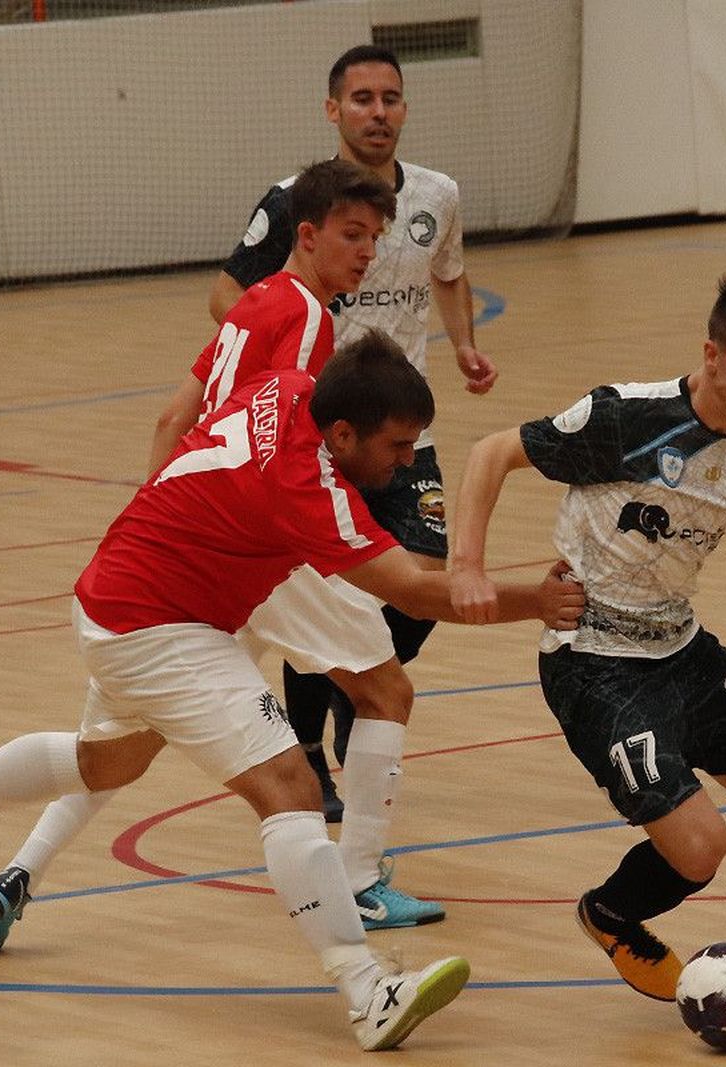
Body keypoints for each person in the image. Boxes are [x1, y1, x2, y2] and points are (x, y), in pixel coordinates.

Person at [0, 335, 583, 1051]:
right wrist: (536, 601)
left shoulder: (289, 389)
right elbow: (418, 594)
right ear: (344, 431)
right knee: (289, 786)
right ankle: (367, 990)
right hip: (160, 624)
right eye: (395, 446)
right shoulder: (308, 486)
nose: (404, 461)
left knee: (106, 765)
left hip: (118, 594)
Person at [0, 159, 450, 951]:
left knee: (121, 746)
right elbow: (303, 452)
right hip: (265, 542)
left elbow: (173, 416)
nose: (366, 253)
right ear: (309, 235)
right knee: (386, 691)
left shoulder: (251, 303)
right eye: (353, 236)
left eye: (376, 238)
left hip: (200, 545)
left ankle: (17, 872)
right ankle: (358, 882)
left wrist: (162, 520)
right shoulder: (310, 320)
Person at [447, 269, 726, 1003]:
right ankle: (613, 913)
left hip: (681, 646)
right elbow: (490, 453)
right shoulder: (625, 416)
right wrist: (468, 564)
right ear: (712, 354)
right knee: (701, 847)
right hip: (593, 658)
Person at [210, 46, 491, 930]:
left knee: (423, 577)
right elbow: (227, 296)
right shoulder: (293, 202)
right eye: (361, 99)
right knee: (326, 585)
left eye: (391, 98)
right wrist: (291, 360)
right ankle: (323, 748)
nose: (378, 111)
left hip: (403, 431)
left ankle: (347, 694)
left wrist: (467, 342)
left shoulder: (436, 195)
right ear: (332, 110)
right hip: (321, 435)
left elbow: (448, 273)